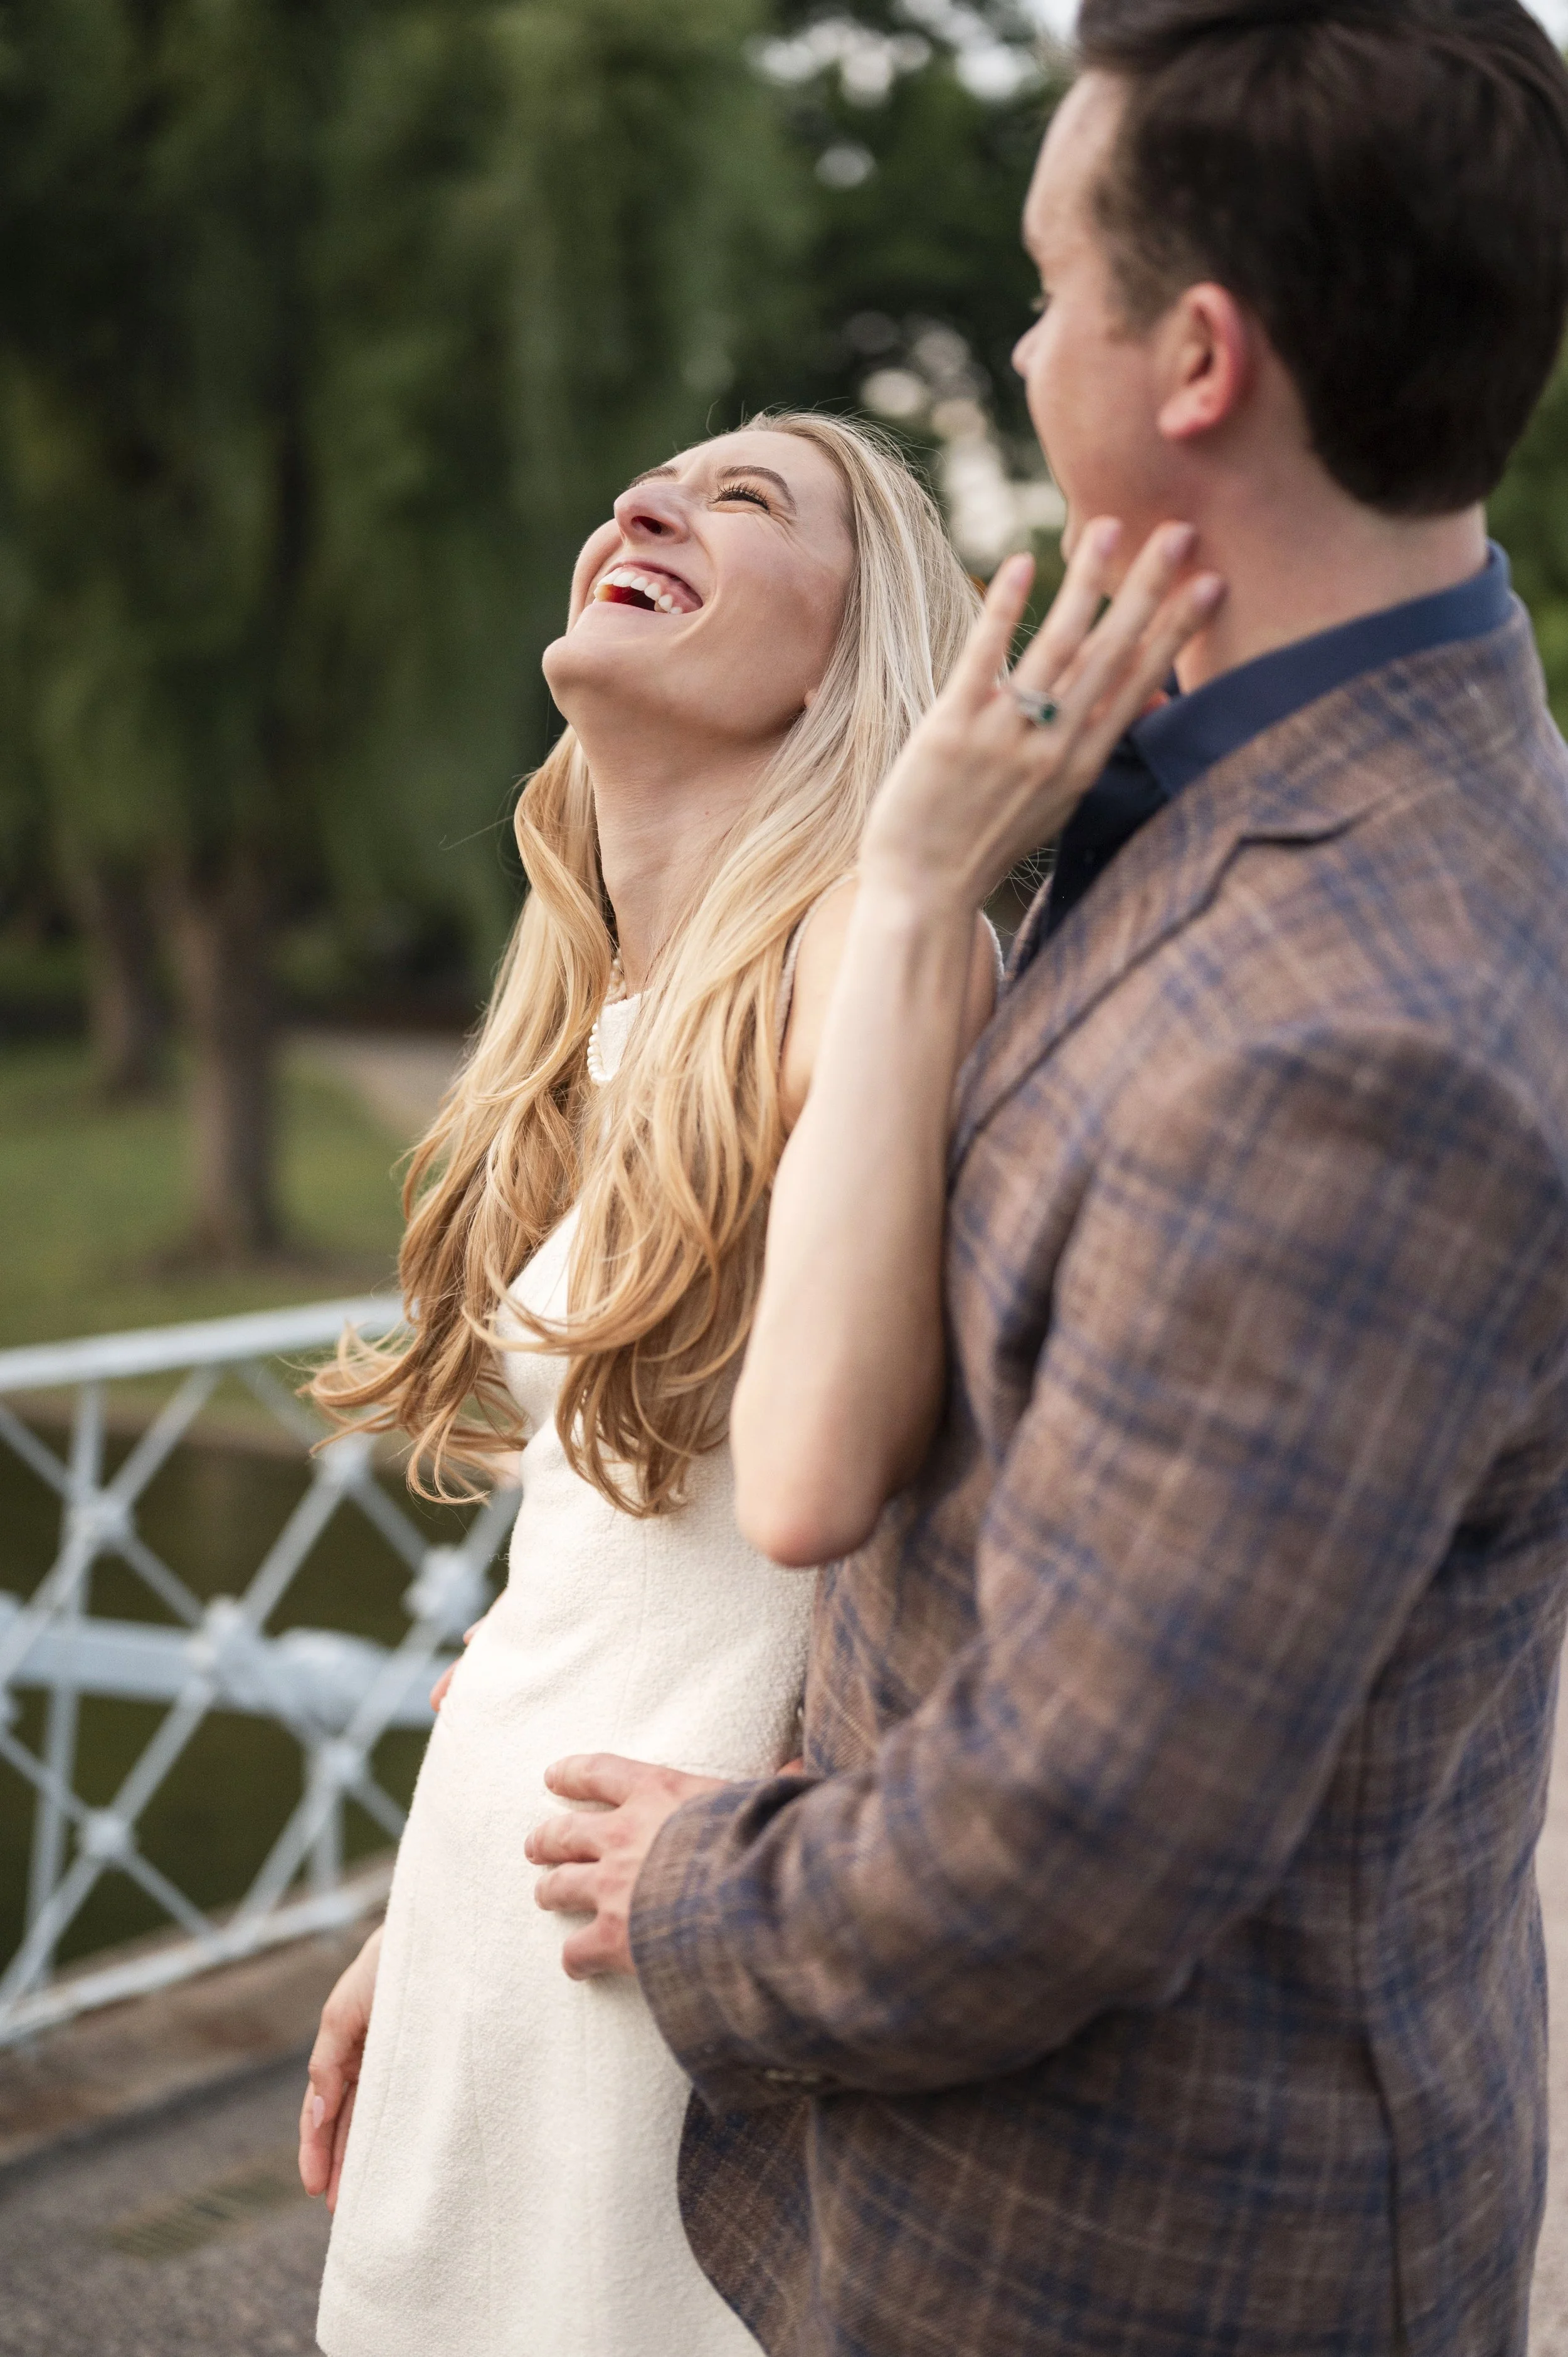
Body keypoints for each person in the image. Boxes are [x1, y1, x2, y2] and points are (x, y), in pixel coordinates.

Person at [525, 4, 1568, 2351]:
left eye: (1040, 281)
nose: (1015, 346)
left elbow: (1062, 1844)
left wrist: (694, 1892)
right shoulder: (1216, 762)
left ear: (1189, 359)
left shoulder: (1366, 1035)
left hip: (1125, 2253)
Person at [296, 410, 1199, 2357]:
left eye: (743, 499)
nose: (642, 501)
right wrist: (419, 1911)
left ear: (840, 652)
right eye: (650, 481)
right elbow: (594, 1553)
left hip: (677, 1931)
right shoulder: (611, 1015)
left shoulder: (888, 966)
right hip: (501, 1902)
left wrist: (784, 1858)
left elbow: (915, 1499)